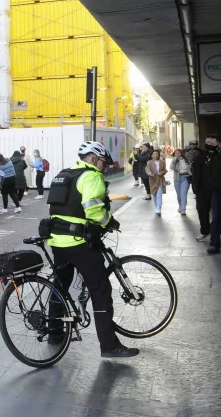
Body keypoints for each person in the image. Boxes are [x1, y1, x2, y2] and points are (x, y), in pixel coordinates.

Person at [46, 141, 138, 358]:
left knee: (59, 286)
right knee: (101, 291)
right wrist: (110, 222)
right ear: (93, 159)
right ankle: (109, 346)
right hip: (78, 243)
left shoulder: (64, 174)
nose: (104, 167)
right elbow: (94, 210)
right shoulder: (91, 176)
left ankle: (54, 333)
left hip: (57, 241)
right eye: (103, 162)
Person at [145, 149, 167, 217]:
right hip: (153, 179)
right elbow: (147, 169)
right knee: (154, 194)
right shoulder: (149, 162)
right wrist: (150, 173)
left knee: (159, 195)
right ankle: (156, 207)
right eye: (154, 154)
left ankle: (159, 209)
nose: (155, 155)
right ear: (151, 155)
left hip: (160, 179)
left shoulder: (162, 162)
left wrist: (162, 172)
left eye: (157, 154)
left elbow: (165, 170)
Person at [168, 149, 190, 216]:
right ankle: (180, 206)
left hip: (185, 178)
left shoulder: (185, 160)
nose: (177, 155)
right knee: (179, 195)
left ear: (181, 153)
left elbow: (188, 168)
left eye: (178, 153)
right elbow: (171, 167)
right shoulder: (174, 160)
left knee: (183, 194)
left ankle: (183, 208)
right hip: (177, 178)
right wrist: (174, 161)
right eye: (176, 153)